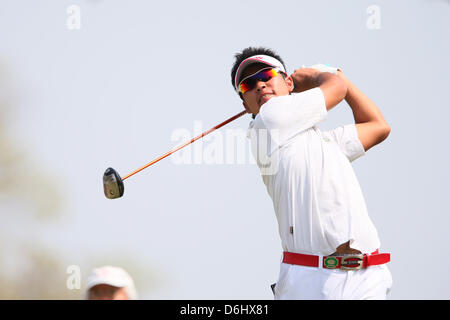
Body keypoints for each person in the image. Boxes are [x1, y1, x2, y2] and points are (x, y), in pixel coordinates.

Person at [231, 47, 393, 299]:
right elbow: (336, 89)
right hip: (310, 281)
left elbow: (378, 126)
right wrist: (321, 77)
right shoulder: (268, 121)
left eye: (267, 75)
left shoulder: (326, 143)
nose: (260, 86)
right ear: (245, 104)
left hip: (367, 275)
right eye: (248, 84)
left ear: (287, 82)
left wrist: (340, 78)